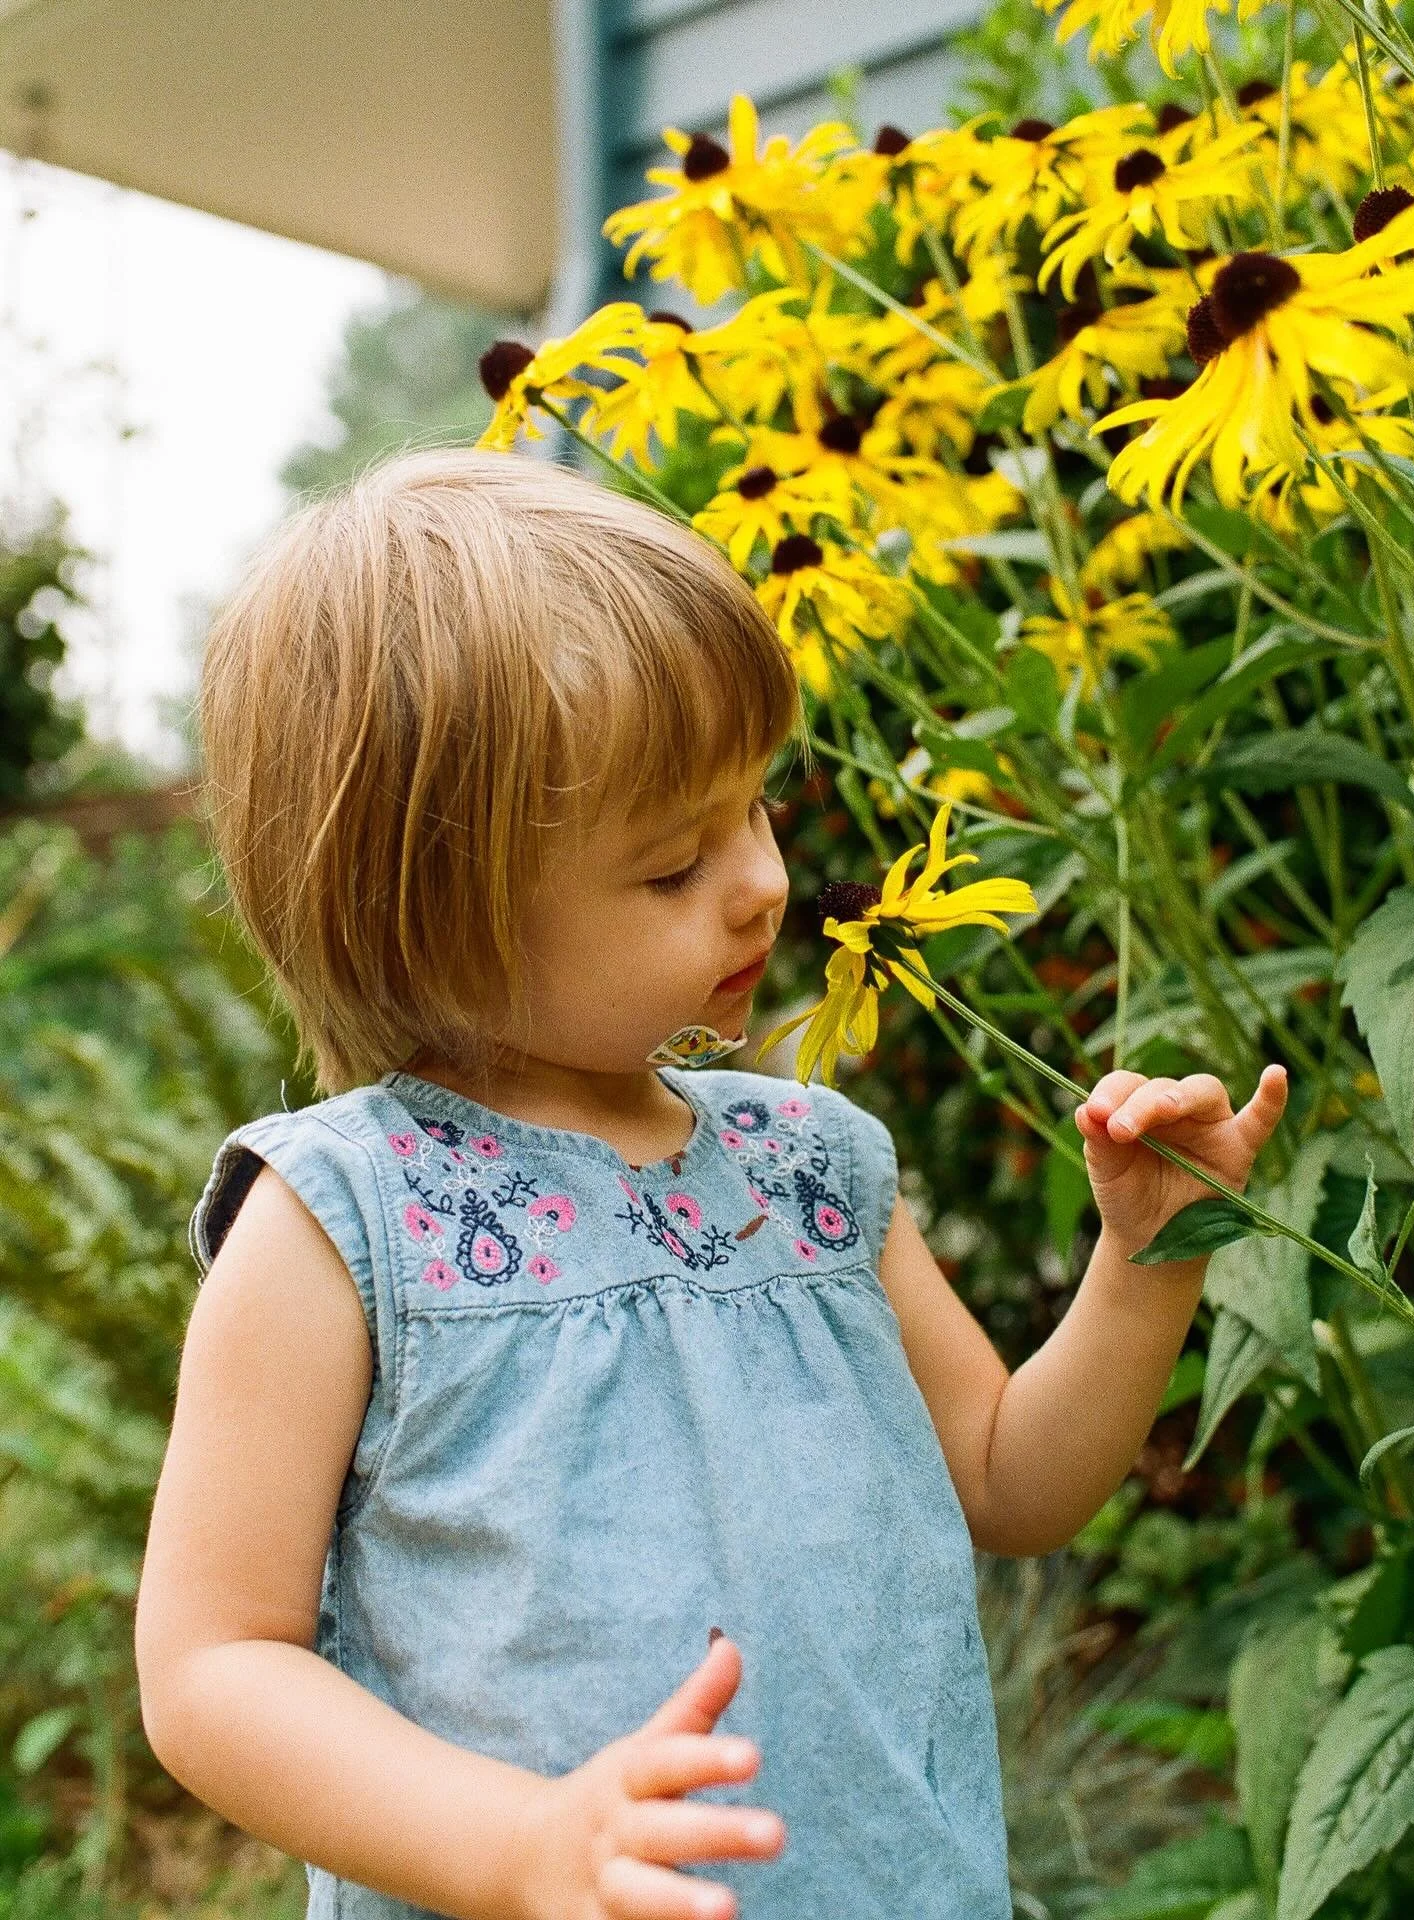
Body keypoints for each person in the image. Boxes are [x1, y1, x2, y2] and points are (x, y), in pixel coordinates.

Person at [134, 448, 1288, 1920]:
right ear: (429, 916)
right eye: (673, 862)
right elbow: (212, 1666)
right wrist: (522, 1844)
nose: (760, 882)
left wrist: (1147, 1260)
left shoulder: (809, 1166)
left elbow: (1011, 1479)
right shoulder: (343, 1222)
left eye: (756, 808)